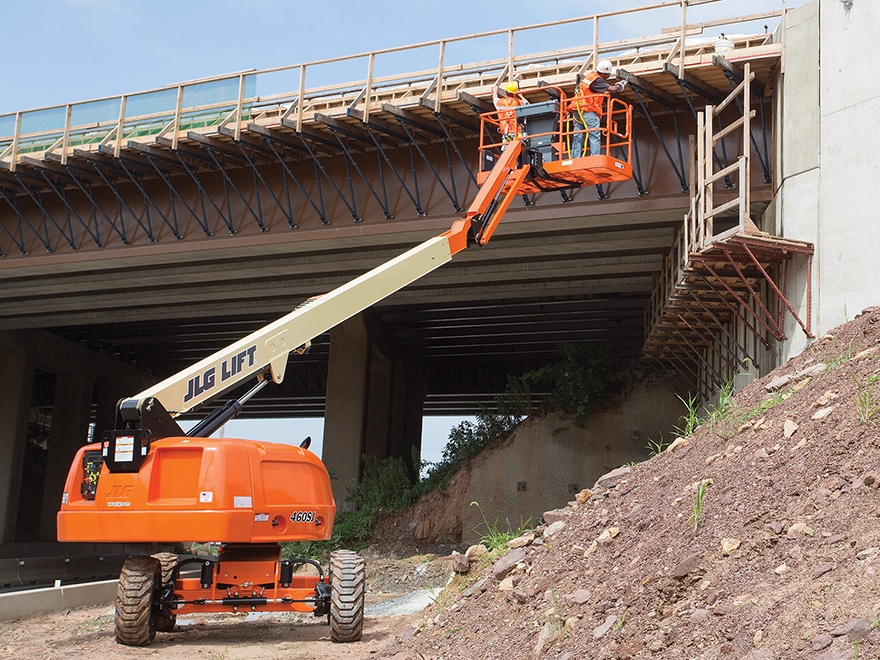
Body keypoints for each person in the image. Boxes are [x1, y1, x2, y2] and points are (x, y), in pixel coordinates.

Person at [570, 60, 627, 159]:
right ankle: (594, 158)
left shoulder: (590, 77)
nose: (609, 76)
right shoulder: (597, 80)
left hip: (577, 110)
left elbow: (595, 92)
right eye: (608, 74)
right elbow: (612, 89)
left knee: (578, 136)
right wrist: (620, 86)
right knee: (594, 135)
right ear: (604, 72)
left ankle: (575, 158)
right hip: (588, 110)